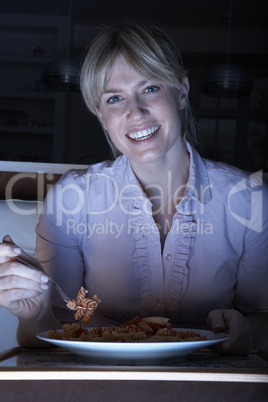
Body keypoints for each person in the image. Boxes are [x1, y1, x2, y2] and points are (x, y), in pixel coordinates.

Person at [0, 22, 267, 355]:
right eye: (115, 98)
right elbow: (50, 329)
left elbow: (262, 318)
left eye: (151, 88)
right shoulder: (71, 199)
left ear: (182, 92)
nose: (135, 112)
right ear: (101, 115)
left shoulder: (250, 199)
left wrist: (249, 334)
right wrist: (35, 311)